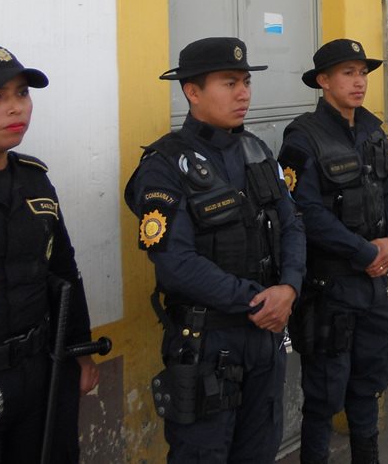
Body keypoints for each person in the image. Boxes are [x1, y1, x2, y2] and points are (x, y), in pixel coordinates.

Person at [125, 37, 305, 463]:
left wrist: (290, 288)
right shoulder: (165, 165)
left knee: (259, 451)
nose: (243, 93)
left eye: (245, 81)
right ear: (192, 91)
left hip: (266, 334)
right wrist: (258, 299)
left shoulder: (257, 151)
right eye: (229, 83)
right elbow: (175, 264)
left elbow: (293, 223)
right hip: (209, 344)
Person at [0, 44, 99, 464]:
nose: (15, 108)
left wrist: (79, 351)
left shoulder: (35, 182)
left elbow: (64, 269)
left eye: (21, 94)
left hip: (41, 370)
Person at [279, 38, 388, 464]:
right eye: (348, 74)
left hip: (375, 285)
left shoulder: (372, 128)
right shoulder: (302, 136)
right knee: (324, 392)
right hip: (332, 287)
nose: (359, 82)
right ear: (323, 81)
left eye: (362, 73)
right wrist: (363, 253)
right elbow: (304, 211)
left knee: (369, 381)